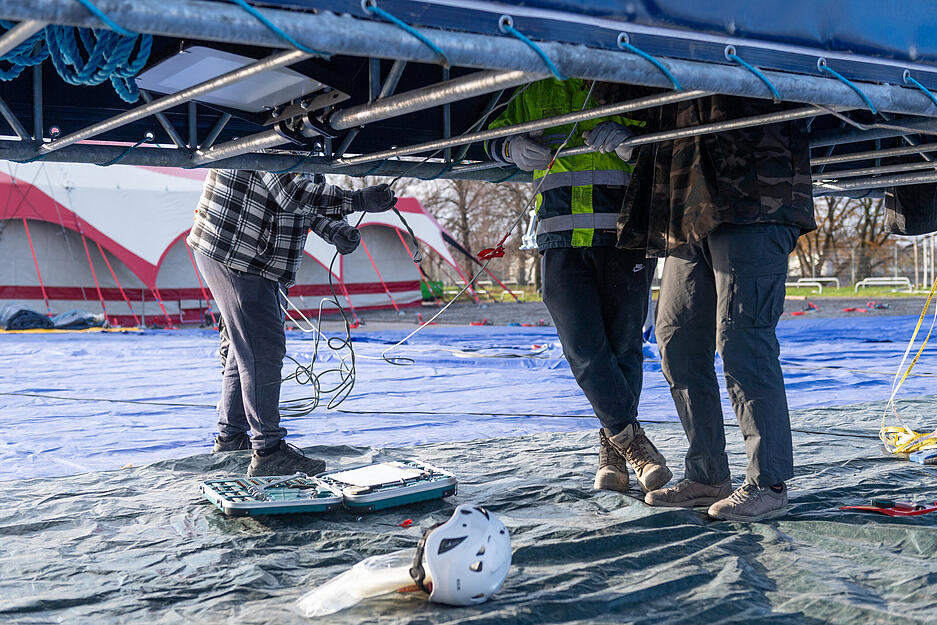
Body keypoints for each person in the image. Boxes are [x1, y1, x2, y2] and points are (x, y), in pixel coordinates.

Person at [585, 91, 816, 521]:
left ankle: (768, 482)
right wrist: (639, 141)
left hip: (755, 198)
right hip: (690, 208)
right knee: (677, 342)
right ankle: (707, 474)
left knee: (743, 339)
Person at [486, 78, 672, 494]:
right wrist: (509, 147)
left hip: (624, 235)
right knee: (583, 347)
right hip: (559, 238)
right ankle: (633, 444)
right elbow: (488, 139)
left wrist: (635, 144)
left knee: (623, 347)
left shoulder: (628, 84)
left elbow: (670, 142)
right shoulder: (533, 91)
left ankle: (613, 452)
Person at [188, 169, 396, 477]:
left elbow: (305, 200)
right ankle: (268, 452)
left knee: (244, 348)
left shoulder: (308, 148)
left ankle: (232, 439)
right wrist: (357, 200)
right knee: (262, 349)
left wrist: (334, 229)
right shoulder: (276, 139)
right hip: (238, 252)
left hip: (253, 256)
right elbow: (291, 193)